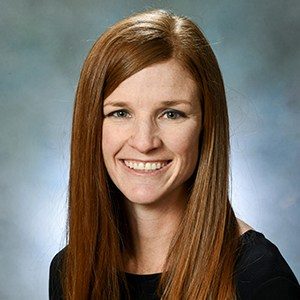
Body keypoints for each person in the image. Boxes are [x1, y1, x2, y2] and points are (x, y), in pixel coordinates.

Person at [49, 8, 300, 300]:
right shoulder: (70, 269)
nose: (144, 142)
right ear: (91, 125)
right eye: (120, 112)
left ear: (206, 125)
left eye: (171, 114)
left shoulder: (259, 274)